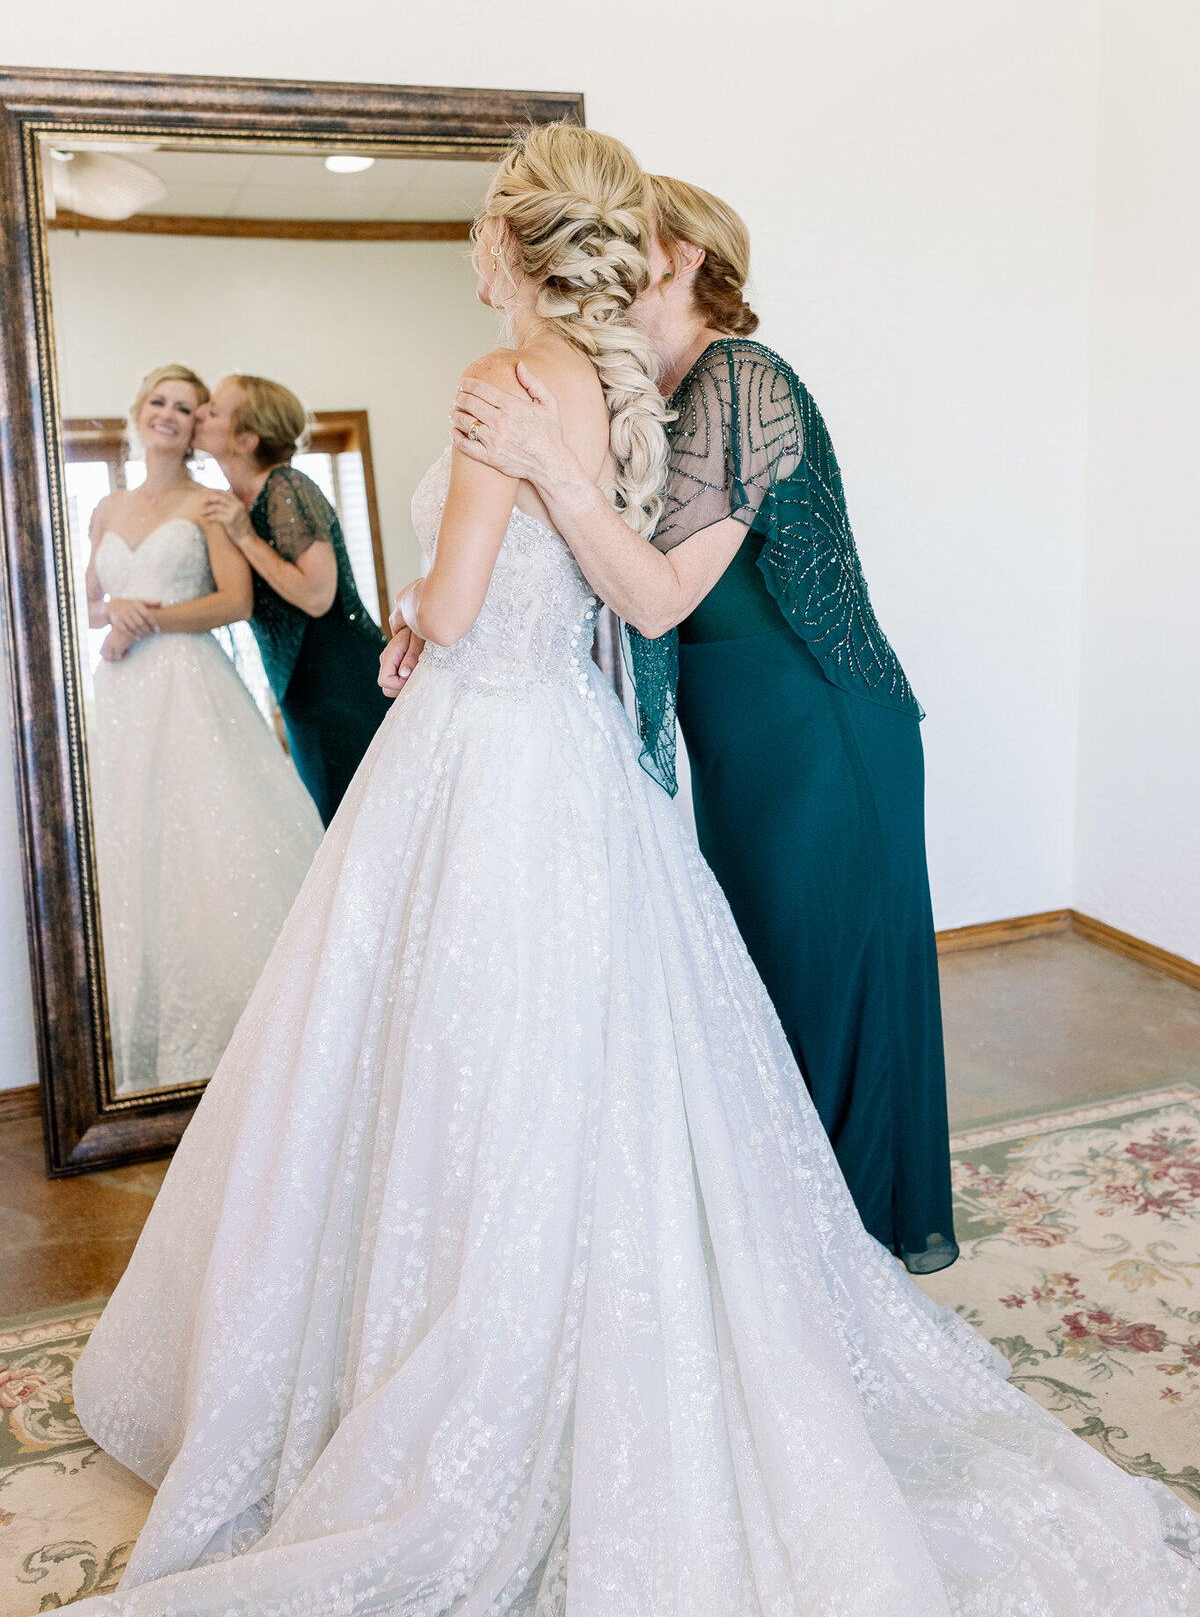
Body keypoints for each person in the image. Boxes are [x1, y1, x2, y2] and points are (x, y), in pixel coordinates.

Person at [71, 129, 1199, 1616]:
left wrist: (429, 606)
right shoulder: (619, 386)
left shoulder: (669, 384)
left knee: (648, 1009)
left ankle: (725, 1264)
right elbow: (599, 606)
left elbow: (559, 592)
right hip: (608, 737)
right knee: (632, 1032)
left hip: (748, 717)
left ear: (517, 243)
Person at [444, 175, 954, 1273]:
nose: (615, 262)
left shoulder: (741, 378)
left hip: (819, 726)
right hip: (742, 736)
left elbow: (658, 596)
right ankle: (795, 1253)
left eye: (639, 242)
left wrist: (541, 462)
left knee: (819, 992)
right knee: (762, 994)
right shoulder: (655, 398)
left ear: (682, 261)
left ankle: (845, 1262)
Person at [86, 365, 324, 1093]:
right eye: (158, 400)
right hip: (124, 689)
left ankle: (250, 1053)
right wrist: (117, 618)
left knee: (206, 840)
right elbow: (94, 604)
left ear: (197, 427)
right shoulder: (105, 507)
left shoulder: (210, 502)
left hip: (189, 683)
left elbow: (236, 601)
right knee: (134, 846)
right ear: (137, 411)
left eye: (184, 407)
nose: (168, 413)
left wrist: (148, 617)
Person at [194, 375, 390, 824]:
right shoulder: (233, 499)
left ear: (246, 438)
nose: (201, 413)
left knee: (356, 822)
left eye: (215, 410)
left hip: (341, 680)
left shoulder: (286, 486)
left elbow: (318, 594)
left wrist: (244, 536)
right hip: (300, 686)